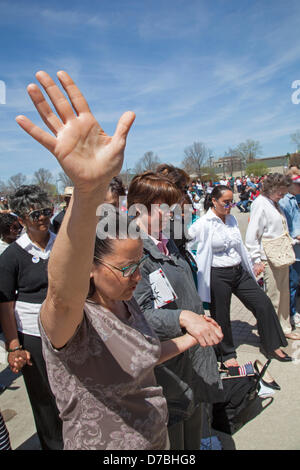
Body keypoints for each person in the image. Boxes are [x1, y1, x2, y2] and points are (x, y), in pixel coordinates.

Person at [13, 69, 216, 450]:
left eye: (140, 264)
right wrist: (87, 192)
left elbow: (146, 354)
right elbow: (61, 292)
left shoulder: (125, 302)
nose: (137, 276)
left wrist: (192, 336)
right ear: (90, 268)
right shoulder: (70, 322)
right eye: (126, 268)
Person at [127, 171, 224, 450]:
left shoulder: (166, 241)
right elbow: (138, 314)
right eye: (164, 208)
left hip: (187, 356)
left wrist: (196, 314)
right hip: (163, 366)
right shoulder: (131, 250)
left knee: (192, 420)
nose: (172, 214)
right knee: (173, 434)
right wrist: (183, 317)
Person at [187, 185, 290, 366]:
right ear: (214, 201)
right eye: (226, 202)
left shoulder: (232, 219)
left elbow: (239, 247)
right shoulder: (204, 223)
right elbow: (187, 244)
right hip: (218, 274)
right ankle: (226, 355)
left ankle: (272, 344)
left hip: (238, 271)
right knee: (221, 315)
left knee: (263, 303)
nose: (229, 206)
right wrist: (197, 263)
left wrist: (251, 264)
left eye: (231, 202)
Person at [0, 185, 63, 450]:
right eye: (35, 214)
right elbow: (5, 304)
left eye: (46, 211)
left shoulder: (63, 242)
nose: (42, 218)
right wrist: (14, 345)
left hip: (70, 329)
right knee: (45, 401)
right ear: (22, 219)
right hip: (34, 336)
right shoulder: (12, 256)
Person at [245, 173, 300, 341]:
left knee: (283, 294)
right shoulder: (260, 204)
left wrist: (292, 240)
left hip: (281, 255)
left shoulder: (274, 204)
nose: (282, 196)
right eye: (281, 192)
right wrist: (256, 259)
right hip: (269, 257)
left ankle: (284, 328)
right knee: (273, 297)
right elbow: (252, 235)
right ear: (271, 188)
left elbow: (277, 230)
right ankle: (271, 333)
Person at [279, 175, 300, 329]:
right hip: (292, 247)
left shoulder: (293, 199)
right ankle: (291, 314)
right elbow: (287, 226)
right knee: (292, 282)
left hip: (296, 246)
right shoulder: (285, 201)